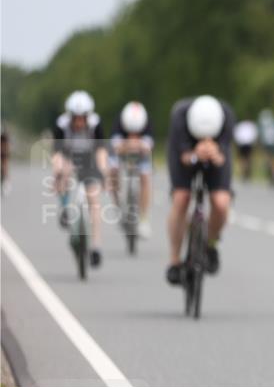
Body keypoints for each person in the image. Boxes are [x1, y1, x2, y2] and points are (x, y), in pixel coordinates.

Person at [164, 95, 234, 285]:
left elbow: (224, 155)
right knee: (181, 198)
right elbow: (182, 156)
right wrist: (195, 155)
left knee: (221, 202)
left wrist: (216, 155)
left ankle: (210, 244)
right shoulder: (180, 117)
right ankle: (175, 260)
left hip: (216, 156)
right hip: (185, 156)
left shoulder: (226, 116)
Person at [51, 90, 108, 267]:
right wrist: (59, 170)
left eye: (82, 117)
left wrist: (103, 171)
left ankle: (96, 246)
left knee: (94, 199)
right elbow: (56, 153)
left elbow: (101, 150)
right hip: (68, 158)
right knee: (62, 173)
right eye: (75, 118)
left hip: (89, 161)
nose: (79, 122)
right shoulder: (61, 125)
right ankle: (65, 207)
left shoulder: (95, 124)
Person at [108, 101, 154, 238]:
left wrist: (136, 145)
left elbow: (148, 148)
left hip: (141, 155)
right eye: (130, 132)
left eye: (137, 132)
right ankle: (118, 206)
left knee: (145, 177)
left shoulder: (147, 124)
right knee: (113, 172)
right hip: (121, 154)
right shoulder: (118, 123)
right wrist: (129, 145)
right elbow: (115, 147)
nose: (133, 134)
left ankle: (144, 219)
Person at [257, 108, 274, 186]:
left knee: (268, 158)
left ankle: (272, 171)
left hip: (267, 143)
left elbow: (261, 135)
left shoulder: (263, 123)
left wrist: (260, 145)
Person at [1, 123, 10, 195]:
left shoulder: (4, 135)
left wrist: (5, 151)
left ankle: (6, 183)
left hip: (3, 152)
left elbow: (7, 145)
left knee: (5, 166)